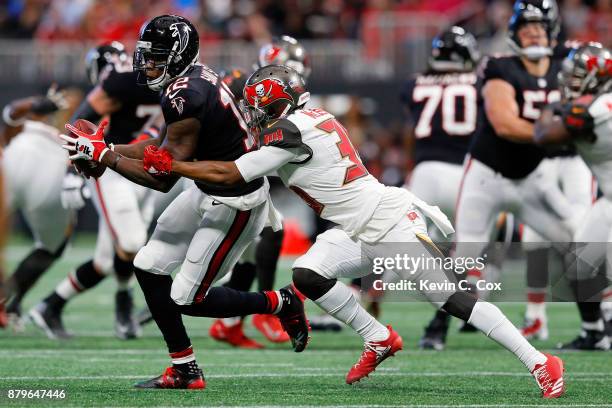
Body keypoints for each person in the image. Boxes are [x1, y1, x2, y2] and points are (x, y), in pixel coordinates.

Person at [133, 64, 565, 398]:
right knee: (308, 274)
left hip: (389, 223)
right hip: (355, 226)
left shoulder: (287, 133)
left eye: (258, 104)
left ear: (275, 103)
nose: (254, 112)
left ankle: (540, 361)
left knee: (452, 299)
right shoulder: (309, 117)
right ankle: (377, 336)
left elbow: (232, 174)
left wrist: (174, 164)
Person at [60, 15, 309, 389]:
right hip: (207, 190)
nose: (147, 64)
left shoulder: (186, 93)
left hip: (235, 203)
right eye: (145, 55)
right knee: (147, 264)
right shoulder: (188, 81)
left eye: (156, 56)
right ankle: (184, 368)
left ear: (178, 54)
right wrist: (105, 149)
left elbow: (161, 177)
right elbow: (160, 147)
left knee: (188, 298)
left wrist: (105, 157)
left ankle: (279, 302)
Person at [30, 41, 161, 340]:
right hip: (112, 170)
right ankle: (124, 301)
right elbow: (81, 125)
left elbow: (82, 117)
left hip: (139, 168)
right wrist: (71, 171)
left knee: (105, 261)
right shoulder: (137, 79)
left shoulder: (123, 80)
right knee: (131, 242)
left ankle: (49, 306)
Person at [534, 42, 611, 350]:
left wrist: (550, 110)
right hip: (608, 198)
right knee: (579, 263)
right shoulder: (596, 104)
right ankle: (593, 331)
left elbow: (544, 136)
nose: (567, 83)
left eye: (576, 77)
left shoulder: (594, 109)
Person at [1, 85, 72, 331]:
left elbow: (12, 112)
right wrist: (39, 103)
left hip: (22, 164)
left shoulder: (27, 127)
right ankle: (7, 301)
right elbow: (13, 112)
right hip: (47, 170)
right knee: (53, 245)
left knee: (53, 245)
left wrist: (37, 104)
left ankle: (6, 300)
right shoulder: (27, 125)